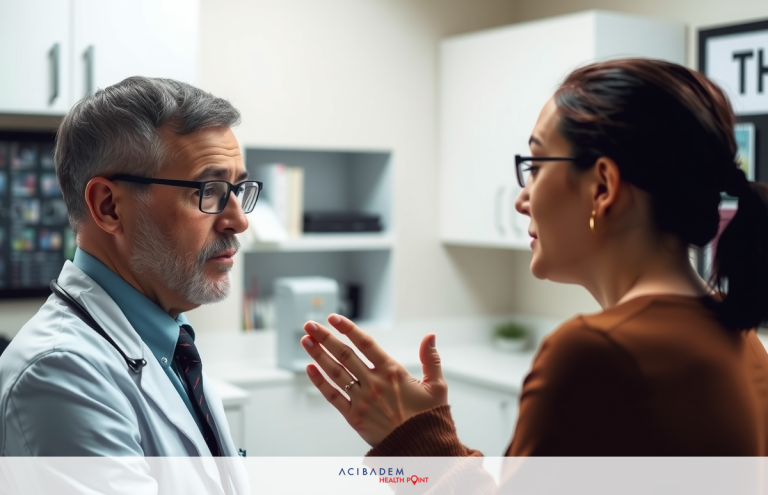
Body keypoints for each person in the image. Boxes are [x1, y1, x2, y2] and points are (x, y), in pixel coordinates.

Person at [300, 59, 768, 459]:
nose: (522, 199)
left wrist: (416, 438)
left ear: (602, 188)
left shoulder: (594, 354)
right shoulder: (738, 335)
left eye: (538, 167)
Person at [0, 77, 259, 493]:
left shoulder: (169, 343)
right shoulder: (59, 372)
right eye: (208, 190)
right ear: (109, 207)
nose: (238, 220)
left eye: (236, 190)